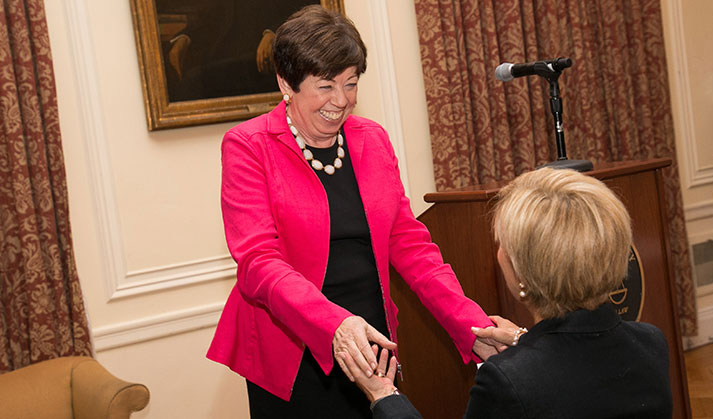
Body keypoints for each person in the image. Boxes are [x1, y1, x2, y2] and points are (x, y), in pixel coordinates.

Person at [206, 5, 498, 418]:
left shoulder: (371, 140)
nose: (340, 101)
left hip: (371, 346)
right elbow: (258, 263)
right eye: (325, 86)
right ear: (285, 83)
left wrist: (471, 325)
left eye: (350, 83)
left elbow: (411, 246)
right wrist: (334, 324)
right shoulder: (249, 146)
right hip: (293, 355)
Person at [342, 168, 673, 418]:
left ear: (521, 273)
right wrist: (526, 342)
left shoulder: (507, 382)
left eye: (503, 245)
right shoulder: (650, 342)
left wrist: (385, 397)